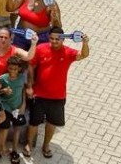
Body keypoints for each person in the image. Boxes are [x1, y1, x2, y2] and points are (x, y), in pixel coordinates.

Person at [25, 27, 89, 159]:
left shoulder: (68, 52)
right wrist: (30, 85)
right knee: (34, 122)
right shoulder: (41, 48)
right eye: (52, 38)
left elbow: (83, 55)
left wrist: (85, 43)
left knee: (52, 123)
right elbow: (31, 65)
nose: (54, 41)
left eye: (57, 39)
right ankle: (29, 145)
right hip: (39, 94)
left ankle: (46, 145)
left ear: (63, 39)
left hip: (58, 96)